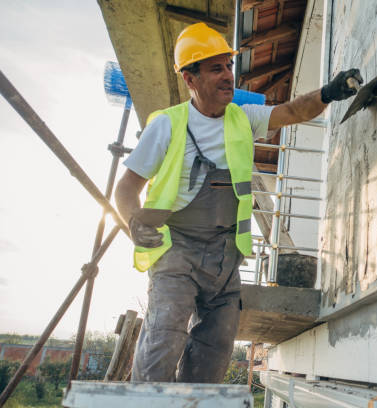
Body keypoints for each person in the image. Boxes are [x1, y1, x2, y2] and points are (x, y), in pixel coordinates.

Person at [115, 22, 362, 383]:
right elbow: (126, 188)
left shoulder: (242, 118)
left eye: (228, 66)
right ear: (190, 79)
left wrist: (329, 91)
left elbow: (292, 112)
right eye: (216, 68)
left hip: (225, 253)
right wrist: (132, 223)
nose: (228, 76)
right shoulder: (167, 126)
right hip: (176, 250)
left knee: (214, 351)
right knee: (163, 339)